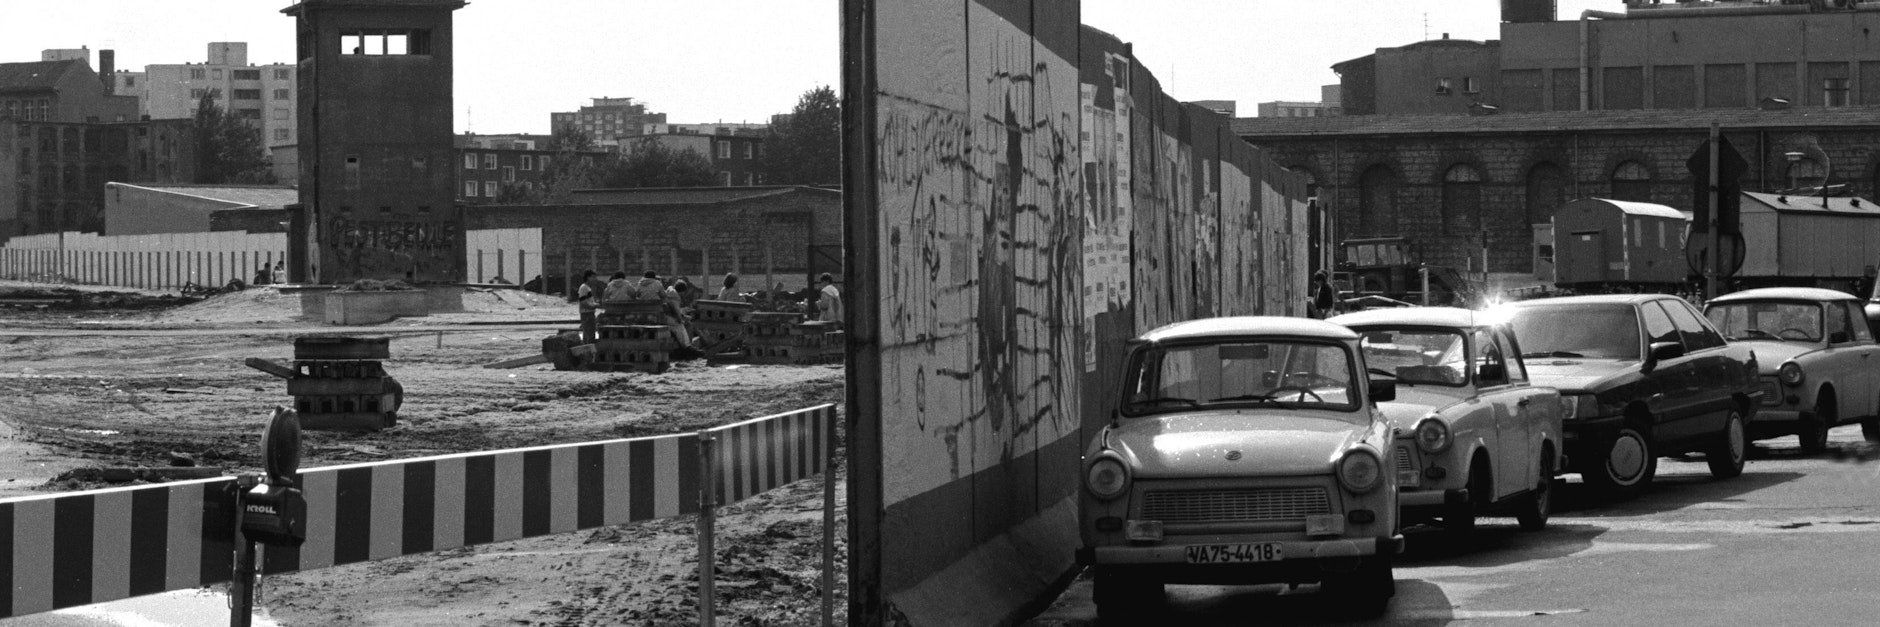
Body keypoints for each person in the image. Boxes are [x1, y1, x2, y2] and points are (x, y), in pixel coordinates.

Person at [574, 269, 604, 343]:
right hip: (587, 314)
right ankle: (589, 351)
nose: (595, 279)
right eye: (593, 277)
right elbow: (583, 302)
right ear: (588, 277)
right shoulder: (584, 287)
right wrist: (594, 306)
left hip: (589, 313)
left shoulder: (587, 287)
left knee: (588, 334)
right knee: (589, 335)